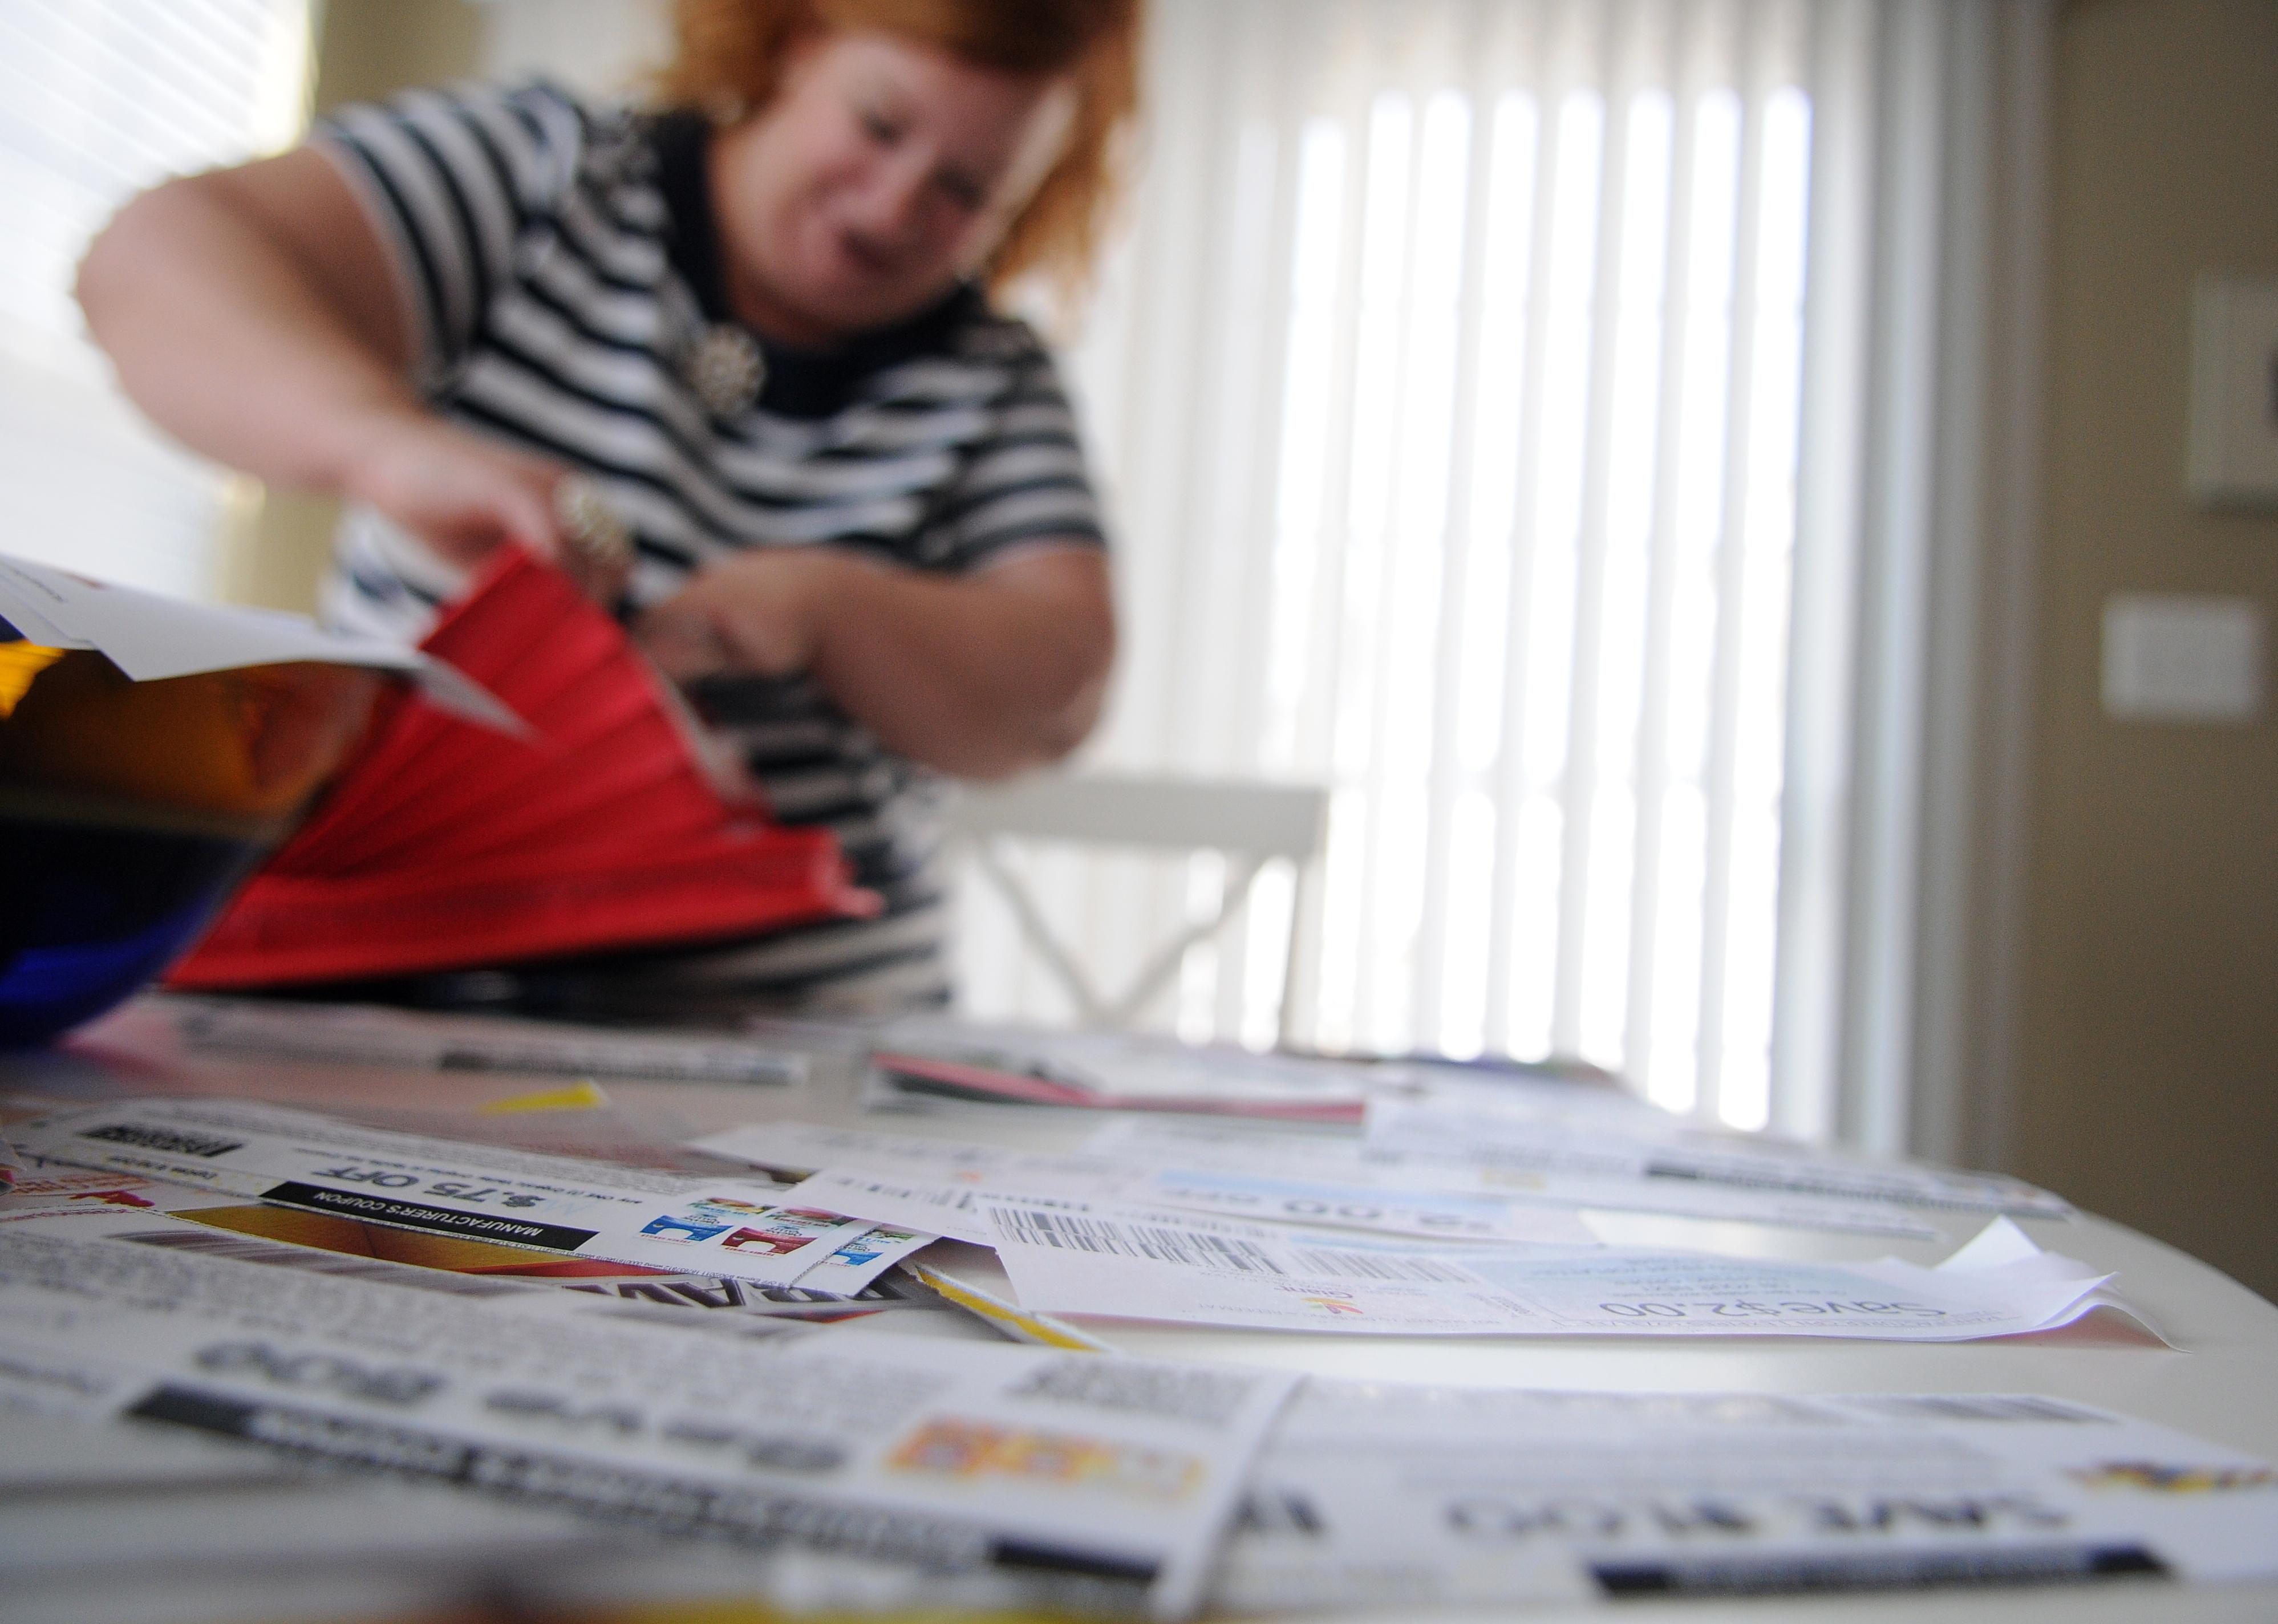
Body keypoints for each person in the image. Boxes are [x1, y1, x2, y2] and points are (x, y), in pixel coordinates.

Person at [76, 0, 1140, 1014]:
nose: (895, 206)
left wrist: (826, 610)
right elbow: (148, 261)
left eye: (967, 188)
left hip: (812, 1033)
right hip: (375, 986)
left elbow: (1059, 693)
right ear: (795, 45)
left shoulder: (993, 376)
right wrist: (391, 450)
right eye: (879, 124)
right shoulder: (546, 177)